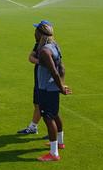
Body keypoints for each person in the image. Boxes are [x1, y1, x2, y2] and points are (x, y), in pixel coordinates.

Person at [34, 21, 71, 161]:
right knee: (55, 114)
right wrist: (61, 84)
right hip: (52, 88)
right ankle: (59, 142)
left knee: (48, 118)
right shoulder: (55, 46)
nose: (34, 33)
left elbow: (54, 71)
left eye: (36, 31)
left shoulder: (44, 51)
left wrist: (61, 87)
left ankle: (54, 153)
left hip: (46, 89)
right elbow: (61, 68)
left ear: (40, 34)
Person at [17, 25, 46, 135]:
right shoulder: (38, 44)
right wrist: (40, 62)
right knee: (37, 104)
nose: (34, 33)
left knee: (47, 107)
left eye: (36, 30)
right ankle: (33, 127)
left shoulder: (49, 46)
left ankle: (56, 133)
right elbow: (30, 57)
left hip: (44, 80)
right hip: (38, 79)